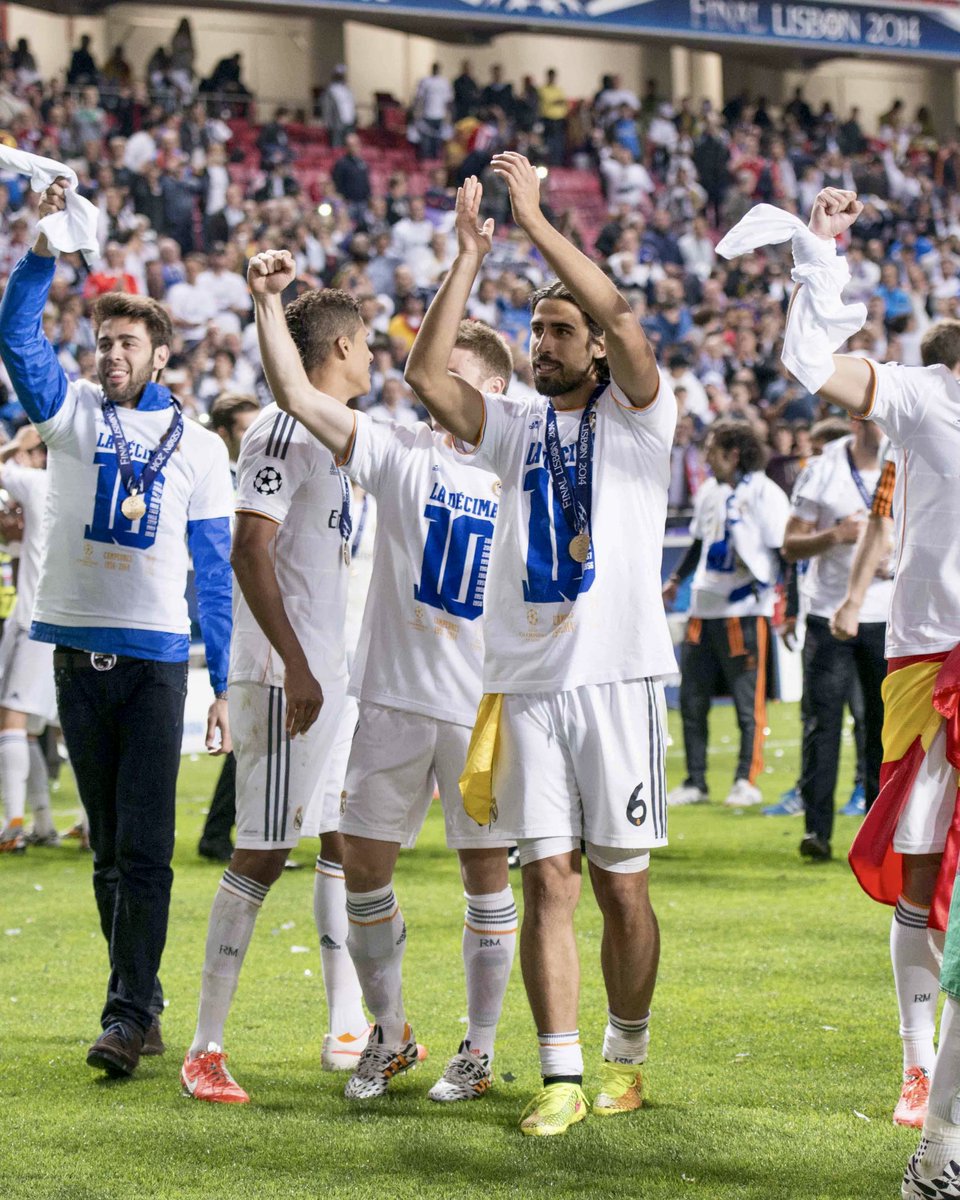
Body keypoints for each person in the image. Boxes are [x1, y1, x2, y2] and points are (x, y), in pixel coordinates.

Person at [411, 165, 675, 1136]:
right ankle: (559, 1075)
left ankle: (627, 1055)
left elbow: (626, 314)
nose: (543, 344)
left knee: (621, 885)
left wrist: (536, 222)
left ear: (596, 347)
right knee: (545, 879)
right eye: (537, 332)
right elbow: (425, 377)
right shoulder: (514, 426)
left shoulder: (643, 419)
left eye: (562, 330)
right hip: (524, 684)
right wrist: (471, 258)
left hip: (617, 680)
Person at [251, 227, 519, 1104]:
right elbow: (292, 388)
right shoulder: (401, 453)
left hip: (484, 705)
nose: (452, 393)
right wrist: (263, 304)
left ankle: (477, 1051)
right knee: (363, 866)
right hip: (397, 698)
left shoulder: (522, 471)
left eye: (469, 381)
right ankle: (392, 1032)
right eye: (447, 379)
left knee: (486, 874)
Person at [747, 185, 960, 1195]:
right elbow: (804, 366)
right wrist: (820, 254)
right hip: (929, 667)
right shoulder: (922, 393)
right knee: (919, 872)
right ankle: (920, 1065)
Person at [0, 176, 233, 1079]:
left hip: (158, 663)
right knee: (106, 851)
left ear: (162, 355)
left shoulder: (204, 449)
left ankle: (127, 1013)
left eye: (127, 342)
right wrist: (44, 250)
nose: (110, 355)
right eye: (103, 343)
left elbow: (213, 574)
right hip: (74, 653)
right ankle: (141, 997)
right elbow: (17, 336)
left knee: (143, 848)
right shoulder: (69, 419)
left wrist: (220, 679)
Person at [181, 288, 372, 1104]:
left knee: (338, 840)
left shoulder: (338, 436)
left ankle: (345, 1029)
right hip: (284, 678)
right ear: (335, 349)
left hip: (331, 677)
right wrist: (296, 663)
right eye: (362, 343)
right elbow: (248, 550)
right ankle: (204, 1049)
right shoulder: (280, 427)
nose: (371, 355)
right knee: (262, 849)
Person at [663, 421, 790, 809]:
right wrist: (675, 579)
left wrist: (788, 605)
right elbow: (700, 543)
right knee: (692, 699)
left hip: (745, 610)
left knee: (746, 701)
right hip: (703, 607)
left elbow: (781, 552)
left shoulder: (766, 493)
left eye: (713, 451)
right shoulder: (708, 492)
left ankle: (745, 780)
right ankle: (695, 780)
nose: (706, 458)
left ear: (734, 454)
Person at [782, 418, 890, 860]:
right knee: (820, 725)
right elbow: (789, 544)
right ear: (854, 418)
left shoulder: (908, 458)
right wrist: (834, 536)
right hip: (829, 615)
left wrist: (899, 559)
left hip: (887, 615)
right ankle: (817, 832)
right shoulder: (823, 467)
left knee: (883, 729)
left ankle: (882, 838)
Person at [196, 393, 261, 865]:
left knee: (255, 731)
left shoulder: (257, 479)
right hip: (235, 618)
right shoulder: (217, 484)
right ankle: (232, 835)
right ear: (223, 435)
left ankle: (235, 834)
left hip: (255, 617)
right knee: (249, 731)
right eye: (244, 430)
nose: (255, 438)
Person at [0, 425, 59, 853]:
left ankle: (13, 826)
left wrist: (16, 445)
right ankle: (42, 822)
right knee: (39, 728)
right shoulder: (85, 487)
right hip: (63, 621)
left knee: (12, 721)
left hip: (34, 622)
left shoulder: (40, 484)